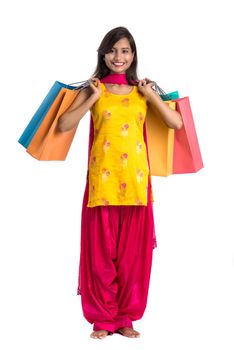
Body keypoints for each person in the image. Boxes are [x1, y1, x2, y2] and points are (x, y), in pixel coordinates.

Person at [58, 26, 183, 340]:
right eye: (113, 50)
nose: (118, 57)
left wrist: (151, 94)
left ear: (133, 55)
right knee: (101, 257)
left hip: (137, 187)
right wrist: (94, 97)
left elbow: (176, 123)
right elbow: (63, 124)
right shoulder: (94, 89)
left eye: (125, 51)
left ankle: (125, 317)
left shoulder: (143, 90)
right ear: (103, 53)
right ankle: (102, 319)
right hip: (102, 187)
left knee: (132, 260)